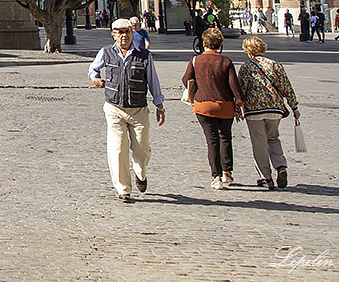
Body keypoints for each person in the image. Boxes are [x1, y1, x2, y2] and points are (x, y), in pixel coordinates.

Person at [88, 18, 165, 202]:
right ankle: (123, 189)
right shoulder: (106, 52)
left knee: (141, 150)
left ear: (132, 33)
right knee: (118, 150)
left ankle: (141, 172)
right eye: (119, 32)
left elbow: (153, 81)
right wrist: (95, 78)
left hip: (138, 110)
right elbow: (93, 69)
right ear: (113, 34)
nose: (123, 36)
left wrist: (159, 105)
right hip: (114, 108)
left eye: (127, 32)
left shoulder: (144, 55)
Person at [182, 27, 244, 190]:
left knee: (212, 140)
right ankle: (227, 171)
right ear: (220, 44)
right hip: (224, 105)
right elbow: (234, 85)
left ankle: (215, 176)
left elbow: (186, 79)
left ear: (204, 43)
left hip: (203, 105)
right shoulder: (226, 61)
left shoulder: (196, 61)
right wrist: (240, 102)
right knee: (225, 137)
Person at [237, 37, 300, 190]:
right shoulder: (275, 65)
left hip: (254, 110)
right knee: (273, 138)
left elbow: (241, 90)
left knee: (259, 143)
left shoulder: (246, 67)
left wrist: (238, 109)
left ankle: (266, 177)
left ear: (248, 51)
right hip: (275, 109)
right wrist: (294, 107)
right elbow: (286, 87)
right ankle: (280, 166)